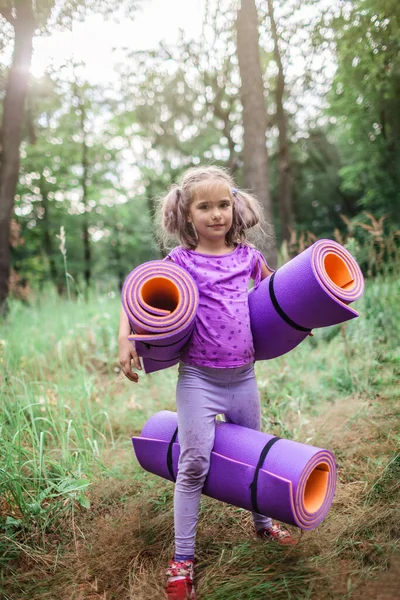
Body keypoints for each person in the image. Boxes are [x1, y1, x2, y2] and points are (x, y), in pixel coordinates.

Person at [118, 166, 298, 600]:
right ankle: (182, 559)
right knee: (193, 463)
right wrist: (125, 339)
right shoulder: (180, 261)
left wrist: (301, 317)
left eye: (223, 204)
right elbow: (136, 295)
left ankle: (261, 525)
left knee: (253, 455)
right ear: (187, 214)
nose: (216, 214)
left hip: (244, 377)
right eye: (205, 206)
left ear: (234, 207)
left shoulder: (248, 257)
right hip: (198, 378)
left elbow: (277, 297)